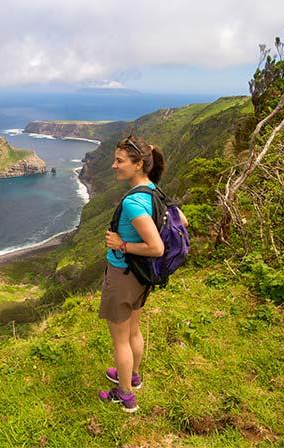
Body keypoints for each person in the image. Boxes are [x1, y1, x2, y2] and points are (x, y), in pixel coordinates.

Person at [97, 134, 179, 413]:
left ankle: (125, 395)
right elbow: (181, 219)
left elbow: (155, 247)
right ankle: (132, 375)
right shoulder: (154, 190)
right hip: (141, 278)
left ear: (138, 164)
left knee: (120, 339)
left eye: (119, 161)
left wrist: (122, 244)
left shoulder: (134, 202)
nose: (113, 165)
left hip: (124, 275)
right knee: (133, 331)